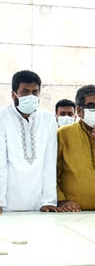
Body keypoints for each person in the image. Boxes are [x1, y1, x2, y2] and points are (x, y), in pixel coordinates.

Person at [0, 70, 58, 213]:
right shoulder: (3, 116)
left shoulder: (48, 119)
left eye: (35, 92)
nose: (30, 96)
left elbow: (49, 162)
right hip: (7, 202)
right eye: (25, 92)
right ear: (14, 94)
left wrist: (48, 200)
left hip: (38, 203)